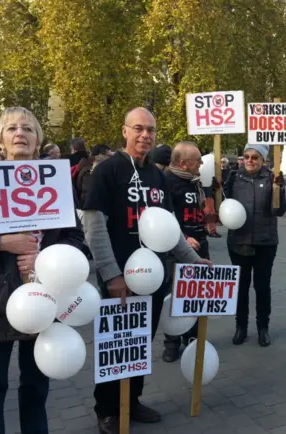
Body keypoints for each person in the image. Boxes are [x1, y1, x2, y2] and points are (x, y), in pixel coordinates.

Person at [81, 107, 211, 434]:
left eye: (150, 130)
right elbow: (94, 227)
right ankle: (108, 409)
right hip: (119, 278)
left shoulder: (157, 175)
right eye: (138, 128)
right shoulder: (106, 171)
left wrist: (193, 262)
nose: (145, 135)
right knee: (117, 345)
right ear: (125, 131)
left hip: (153, 277)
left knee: (139, 342)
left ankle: (133, 399)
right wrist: (111, 274)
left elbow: (170, 228)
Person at [0, 107, 86, 434]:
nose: (20, 133)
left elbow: (76, 239)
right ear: (1, 140)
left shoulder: (57, 183)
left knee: (35, 387)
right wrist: (0, 242)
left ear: (37, 141)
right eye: (12, 128)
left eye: (28, 129)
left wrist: (44, 257)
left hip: (46, 300)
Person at [224, 144, 286, 347]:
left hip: (265, 242)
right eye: (247, 156)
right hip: (238, 242)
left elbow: (278, 212)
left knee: (262, 287)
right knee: (241, 288)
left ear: (263, 160)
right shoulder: (233, 178)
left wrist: (281, 189)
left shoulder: (271, 179)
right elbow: (222, 206)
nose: (250, 160)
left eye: (255, 157)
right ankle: (240, 327)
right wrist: (216, 189)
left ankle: (263, 328)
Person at [161, 141, 210, 362]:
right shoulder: (166, 182)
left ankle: (193, 337)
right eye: (197, 160)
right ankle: (171, 342)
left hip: (200, 245)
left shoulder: (195, 181)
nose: (201, 163)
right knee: (173, 297)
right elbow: (163, 217)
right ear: (183, 163)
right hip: (176, 250)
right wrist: (183, 237)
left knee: (196, 294)